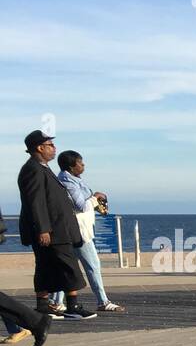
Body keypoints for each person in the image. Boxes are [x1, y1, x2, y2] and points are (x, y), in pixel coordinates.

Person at [17, 131, 95, 320]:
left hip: (55, 229)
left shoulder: (42, 168)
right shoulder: (33, 169)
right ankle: (72, 306)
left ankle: (44, 306)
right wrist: (43, 229)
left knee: (46, 266)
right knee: (68, 266)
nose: (54, 149)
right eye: (50, 145)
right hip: (52, 230)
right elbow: (36, 202)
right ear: (39, 147)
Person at [48, 150, 124, 313]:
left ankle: (56, 301)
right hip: (78, 230)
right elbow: (80, 205)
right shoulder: (68, 182)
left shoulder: (74, 180)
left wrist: (97, 204)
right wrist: (95, 197)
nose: (83, 165)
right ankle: (102, 301)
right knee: (93, 265)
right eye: (80, 163)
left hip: (77, 229)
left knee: (67, 266)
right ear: (71, 166)